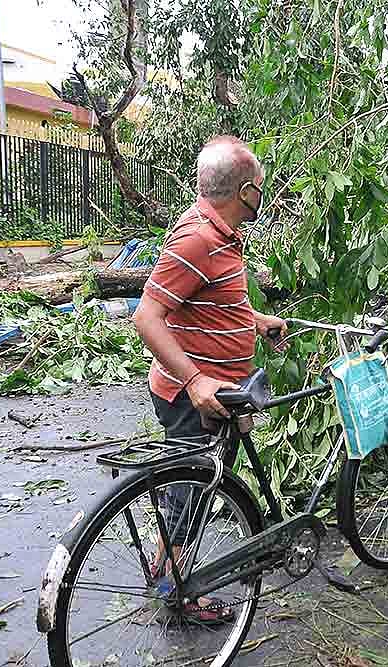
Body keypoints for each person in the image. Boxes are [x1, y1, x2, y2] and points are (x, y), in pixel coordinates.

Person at [132, 135, 287, 623]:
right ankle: (177, 592)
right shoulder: (198, 238)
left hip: (223, 394)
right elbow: (148, 318)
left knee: (190, 492)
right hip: (195, 398)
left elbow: (209, 303)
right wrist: (196, 380)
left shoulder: (222, 235)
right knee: (189, 497)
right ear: (244, 192)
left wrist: (254, 323)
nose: (264, 194)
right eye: (260, 186)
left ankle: (166, 571)